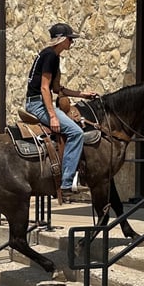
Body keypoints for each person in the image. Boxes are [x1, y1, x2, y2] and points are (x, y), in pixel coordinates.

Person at [25, 22, 97, 197]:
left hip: (37, 101)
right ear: (62, 39)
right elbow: (44, 88)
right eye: (70, 39)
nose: (72, 42)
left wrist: (82, 94)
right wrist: (53, 116)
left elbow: (56, 89)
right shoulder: (50, 56)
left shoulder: (51, 56)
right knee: (76, 133)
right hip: (37, 104)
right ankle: (66, 182)